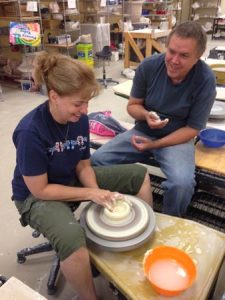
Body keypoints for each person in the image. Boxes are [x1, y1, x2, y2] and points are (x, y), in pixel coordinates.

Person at [11, 52, 152, 300]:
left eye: (87, 102)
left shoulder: (79, 120)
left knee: (139, 175)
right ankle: (90, 297)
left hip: (68, 178)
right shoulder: (30, 131)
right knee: (72, 239)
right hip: (35, 196)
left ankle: (136, 248)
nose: (85, 110)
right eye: (78, 103)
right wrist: (89, 193)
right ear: (54, 96)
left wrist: (98, 193)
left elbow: (84, 166)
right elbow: (40, 190)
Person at [91, 21, 216, 217]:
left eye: (184, 55)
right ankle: (119, 207)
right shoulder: (149, 66)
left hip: (177, 138)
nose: (174, 60)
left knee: (181, 184)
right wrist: (145, 115)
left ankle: (170, 221)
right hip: (142, 132)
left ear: (198, 57)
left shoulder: (205, 79)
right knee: (97, 161)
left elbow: (192, 130)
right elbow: (133, 106)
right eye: (171, 51)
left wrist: (154, 145)